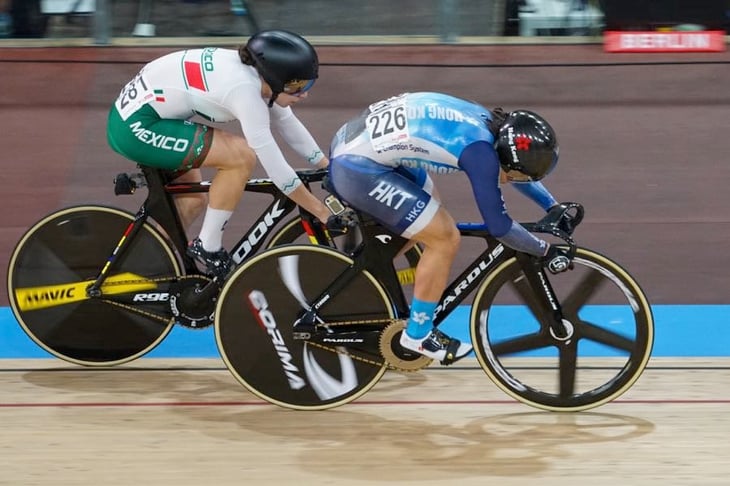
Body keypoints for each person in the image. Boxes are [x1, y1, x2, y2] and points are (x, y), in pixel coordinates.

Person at [327, 91, 571, 364]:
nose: (513, 180)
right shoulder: (480, 153)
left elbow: (516, 173)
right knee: (444, 238)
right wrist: (545, 250)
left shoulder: (490, 125)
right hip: (359, 167)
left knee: (429, 212)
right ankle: (418, 335)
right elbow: (500, 226)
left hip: (360, 146)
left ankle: (365, 280)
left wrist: (552, 206)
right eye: (515, 175)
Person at [107, 29, 331, 277]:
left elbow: (288, 124)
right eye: (298, 85)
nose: (305, 93)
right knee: (241, 156)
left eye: (307, 84)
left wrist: (327, 165)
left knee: (193, 201)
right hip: (137, 127)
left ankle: (144, 266)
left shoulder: (258, 75)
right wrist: (321, 212)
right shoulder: (244, 91)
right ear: (276, 79)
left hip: (143, 117)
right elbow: (278, 170)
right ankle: (208, 247)